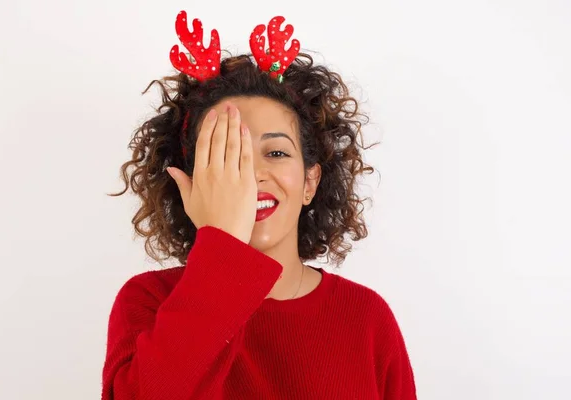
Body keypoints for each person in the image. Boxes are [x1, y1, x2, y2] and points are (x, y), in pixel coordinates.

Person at [102, 10, 417, 400]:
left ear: (310, 181)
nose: (250, 175)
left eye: (277, 152)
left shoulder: (367, 318)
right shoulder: (147, 302)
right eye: (225, 153)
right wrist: (222, 245)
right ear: (191, 182)